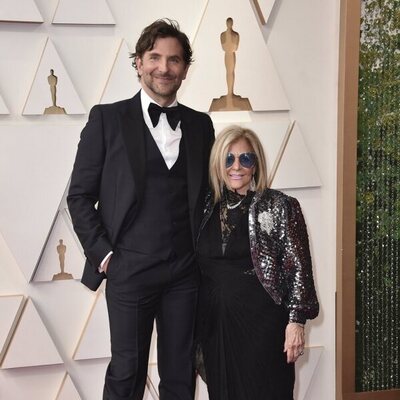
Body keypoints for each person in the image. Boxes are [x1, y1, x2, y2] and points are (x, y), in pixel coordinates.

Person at [67, 19, 214, 400]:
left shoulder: (201, 126)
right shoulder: (107, 119)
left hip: (185, 272)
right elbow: (79, 196)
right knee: (126, 373)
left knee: (180, 375)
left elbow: (209, 199)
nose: (164, 68)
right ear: (138, 63)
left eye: (174, 60)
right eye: (155, 57)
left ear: (184, 68)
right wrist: (106, 258)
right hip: (129, 268)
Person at [195, 125, 319, 400]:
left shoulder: (279, 205)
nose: (236, 166)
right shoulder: (204, 207)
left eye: (245, 158)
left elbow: (298, 267)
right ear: (217, 163)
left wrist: (296, 322)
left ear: (256, 164)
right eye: (228, 159)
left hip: (263, 328)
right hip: (215, 328)